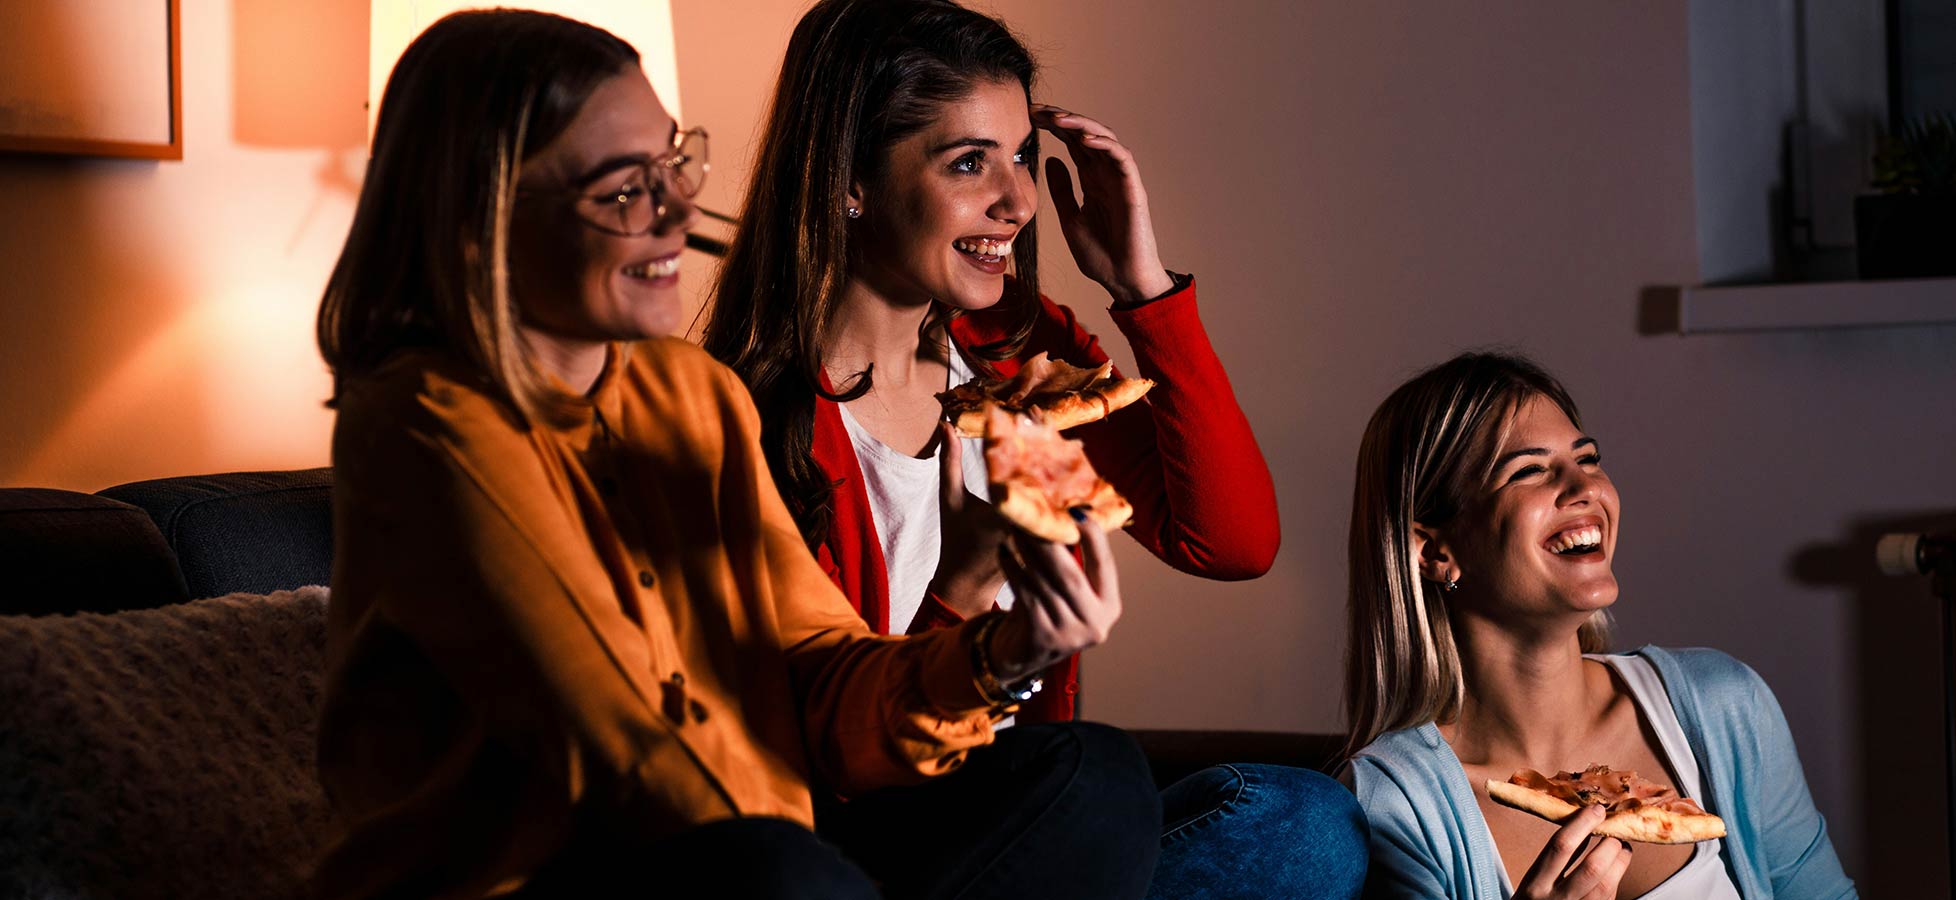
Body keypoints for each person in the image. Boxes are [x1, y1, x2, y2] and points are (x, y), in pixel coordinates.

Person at [311, 10, 1159, 899]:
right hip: (575, 873)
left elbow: (819, 668)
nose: (678, 211)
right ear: (488, 211)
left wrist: (999, 653)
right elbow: (625, 745)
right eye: (622, 188)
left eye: (674, 164)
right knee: (778, 867)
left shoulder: (688, 395)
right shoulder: (423, 421)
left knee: (1088, 776)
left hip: (763, 863)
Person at [701, 1, 1364, 897]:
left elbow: (1231, 541)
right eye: (969, 162)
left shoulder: (1014, 355)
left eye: (1021, 155)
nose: (1017, 202)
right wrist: (967, 590)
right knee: (1091, 773)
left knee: (1304, 819)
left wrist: (1144, 290)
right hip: (873, 851)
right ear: (849, 181)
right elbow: (832, 762)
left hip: (1045, 833)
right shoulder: (742, 421)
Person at [1340, 352, 1857, 899]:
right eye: (1529, 470)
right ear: (1434, 552)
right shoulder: (1392, 805)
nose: (1584, 487)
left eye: (1587, 460)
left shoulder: (1724, 706)